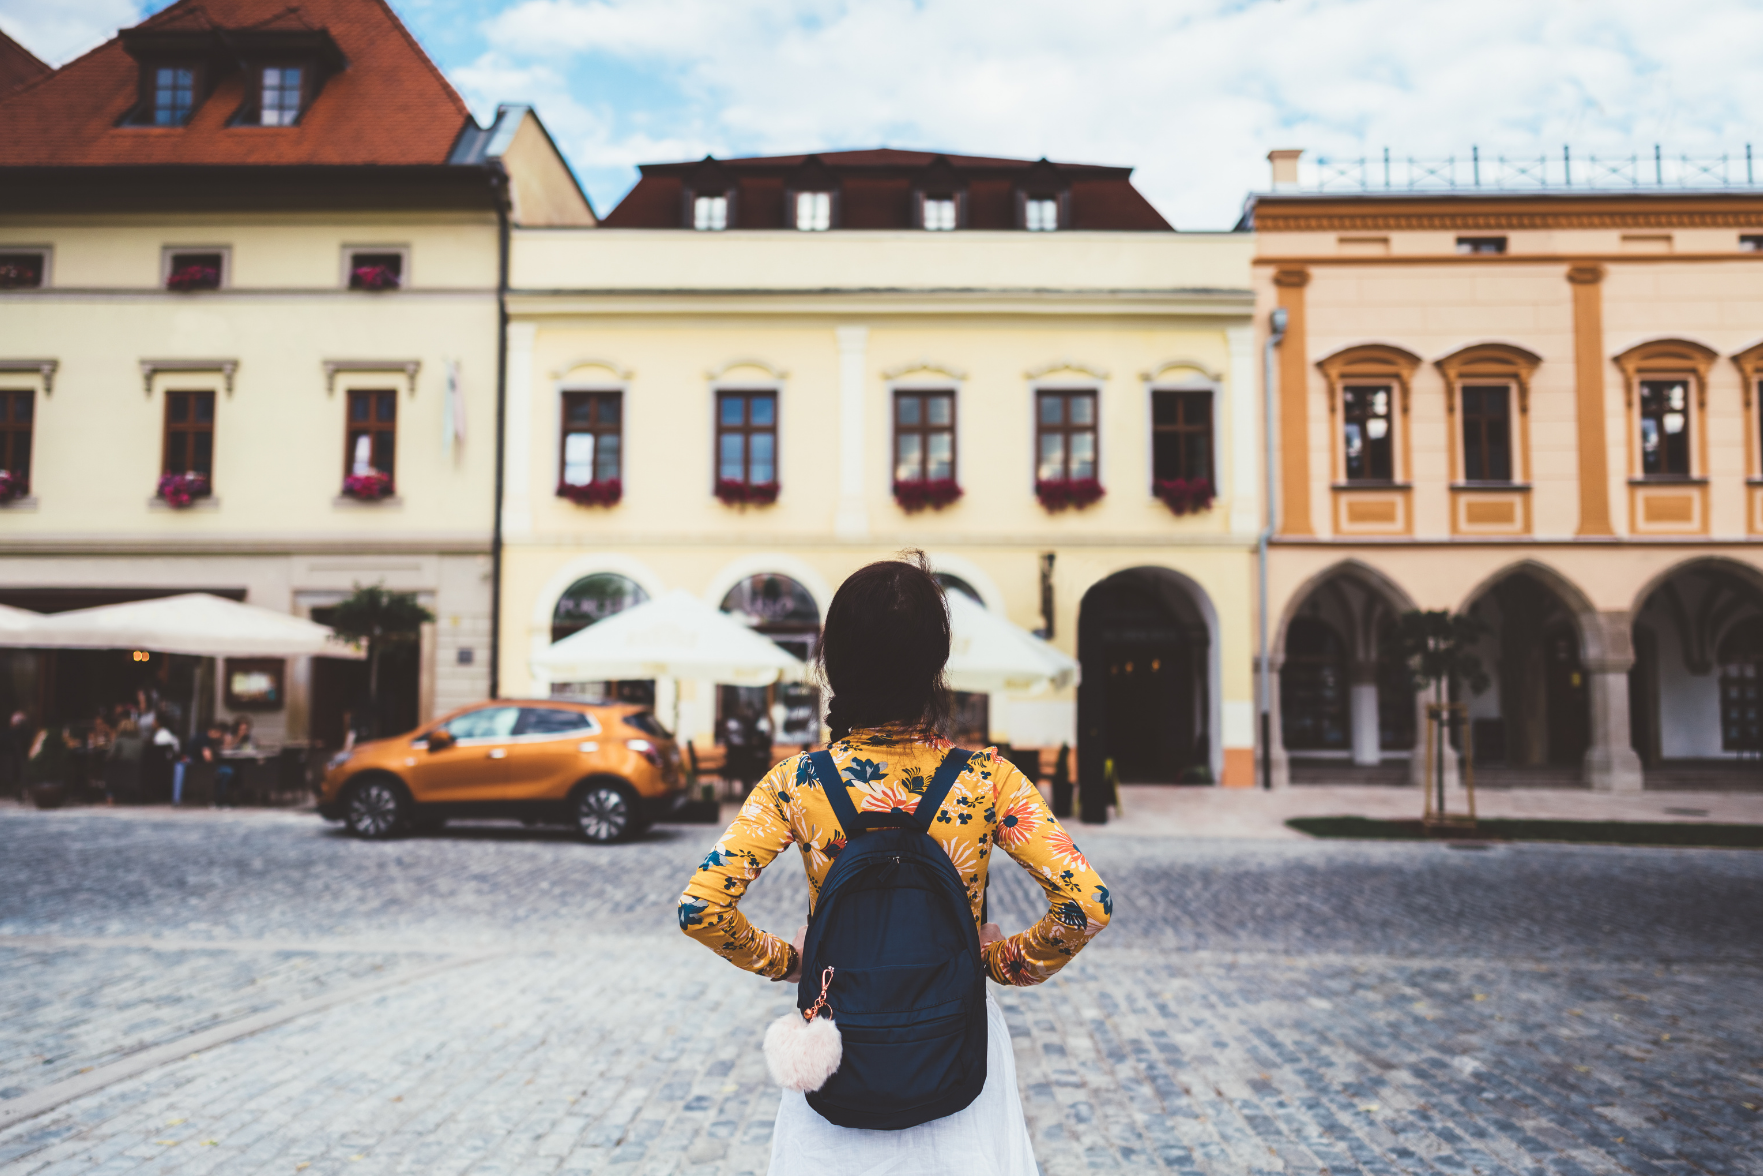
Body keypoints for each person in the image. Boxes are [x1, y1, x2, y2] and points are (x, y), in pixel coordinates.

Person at [678, 552, 1110, 1175]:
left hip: (837, 1037)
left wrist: (791, 961)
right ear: (937, 662)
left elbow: (702, 908)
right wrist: (999, 960)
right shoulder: (988, 781)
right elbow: (1088, 904)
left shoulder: (796, 783)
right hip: (954, 1035)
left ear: (834, 661)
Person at [105, 719, 144, 805]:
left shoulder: (119, 740)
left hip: (121, 770)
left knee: (108, 768)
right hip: (138, 770)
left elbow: (110, 755)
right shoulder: (141, 741)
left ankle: (110, 797)